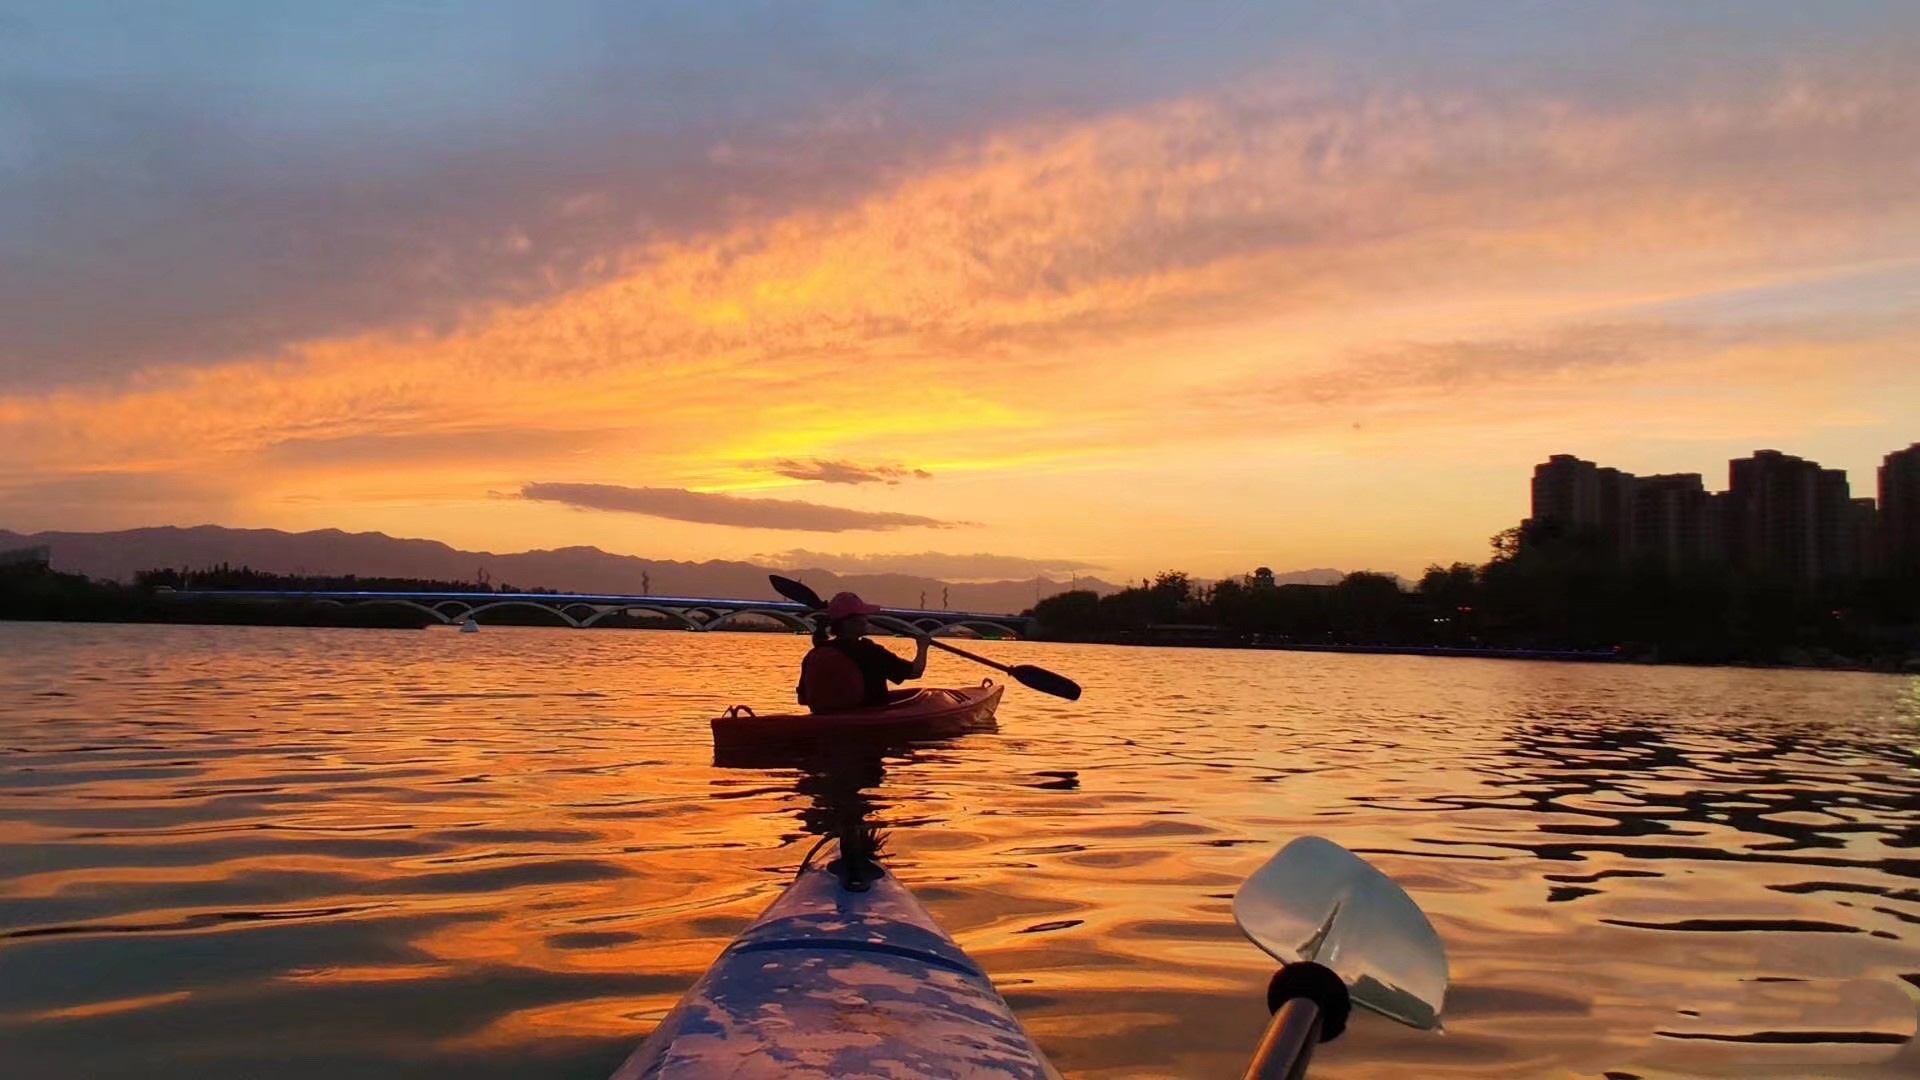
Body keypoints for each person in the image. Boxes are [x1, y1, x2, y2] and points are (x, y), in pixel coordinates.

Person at [796, 592, 929, 712]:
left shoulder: (817, 651)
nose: (866, 619)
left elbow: (803, 699)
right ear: (849, 623)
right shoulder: (869, 651)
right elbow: (915, 672)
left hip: (825, 719)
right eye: (862, 616)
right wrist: (922, 646)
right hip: (869, 717)